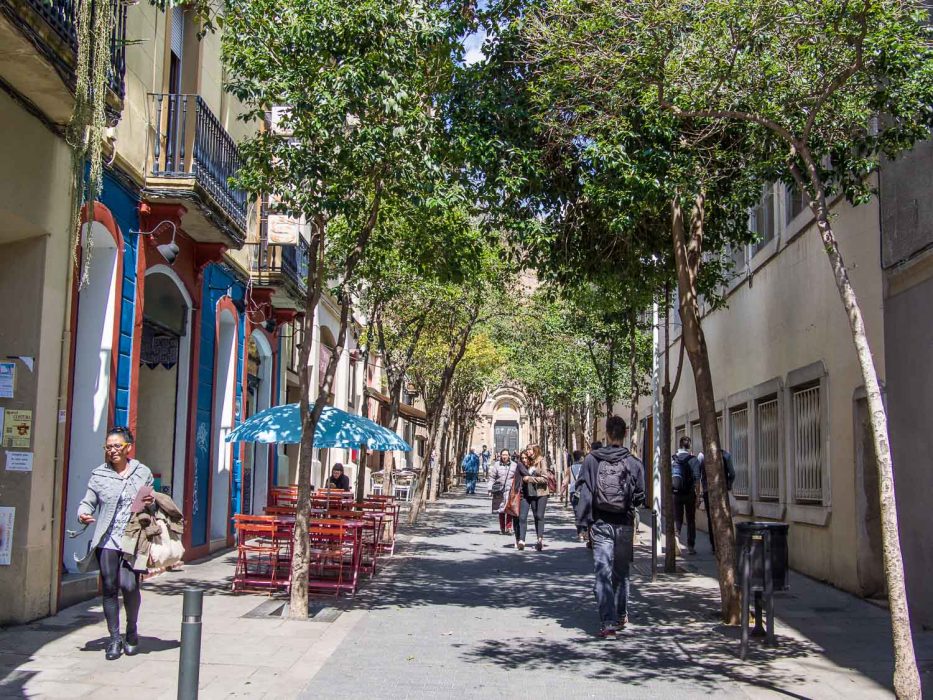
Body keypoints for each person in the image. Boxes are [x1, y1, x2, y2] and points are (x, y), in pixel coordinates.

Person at [76, 427, 154, 660]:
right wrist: (83, 513)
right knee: (109, 587)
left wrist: (150, 503)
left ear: (128, 447)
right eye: (108, 447)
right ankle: (114, 639)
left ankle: (131, 630)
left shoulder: (142, 472)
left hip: (133, 538)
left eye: (117, 446)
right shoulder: (99, 474)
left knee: (129, 586)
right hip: (107, 538)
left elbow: (152, 504)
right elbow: (87, 502)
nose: (112, 451)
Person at [573, 416, 645, 638]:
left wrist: (582, 524)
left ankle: (608, 622)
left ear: (607, 433)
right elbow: (640, 496)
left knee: (602, 571)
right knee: (621, 572)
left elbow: (584, 493)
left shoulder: (592, 460)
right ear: (624, 434)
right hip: (624, 524)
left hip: (601, 523)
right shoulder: (634, 463)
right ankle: (621, 614)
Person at [513, 445, 552, 551]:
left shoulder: (541, 461)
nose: (527, 451)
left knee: (538, 516)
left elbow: (545, 479)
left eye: (529, 449)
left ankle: (539, 540)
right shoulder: (527, 461)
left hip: (541, 493)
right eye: (527, 450)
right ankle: (521, 540)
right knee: (524, 517)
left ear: (535, 450)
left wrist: (530, 479)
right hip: (529, 493)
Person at [697, 449, 736, 553]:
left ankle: (714, 545)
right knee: (725, 516)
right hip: (723, 491)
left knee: (711, 518)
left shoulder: (701, 456)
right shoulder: (726, 455)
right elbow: (732, 473)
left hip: (707, 491)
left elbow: (698, 473)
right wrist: (728, 485)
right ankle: (726, 543)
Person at [672, 436, 702, 555]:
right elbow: (697, 479)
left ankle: (676, 539)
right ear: (689, 446)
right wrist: (698, 496)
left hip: (676, 494)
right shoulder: (693, 460)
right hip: (690, 494)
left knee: (677, 518)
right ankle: (690, 546)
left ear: (679, 445)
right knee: (691, 520)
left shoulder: (673, 459)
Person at [488, 449, 517, 534]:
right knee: (501, 510)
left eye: (506, 455)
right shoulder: (496, 465)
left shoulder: (514, 465)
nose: (504, 456)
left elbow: (517, 478)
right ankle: (502, 528)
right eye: (503, 455)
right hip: (499, 491)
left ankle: (508, 527)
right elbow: (492, 477)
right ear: (500, 456)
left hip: (510, 491)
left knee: (509, 509)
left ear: (509, 456)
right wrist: (490, 488)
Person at [566, 450, 586, 539]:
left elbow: (565, 482)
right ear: (581, 457)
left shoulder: (570, 468)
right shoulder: (585, 467)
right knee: (585, 511)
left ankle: (580, 533)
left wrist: (562, 493)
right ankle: (585, 531)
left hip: (574, 492)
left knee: (577, 512)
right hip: (584, 491)